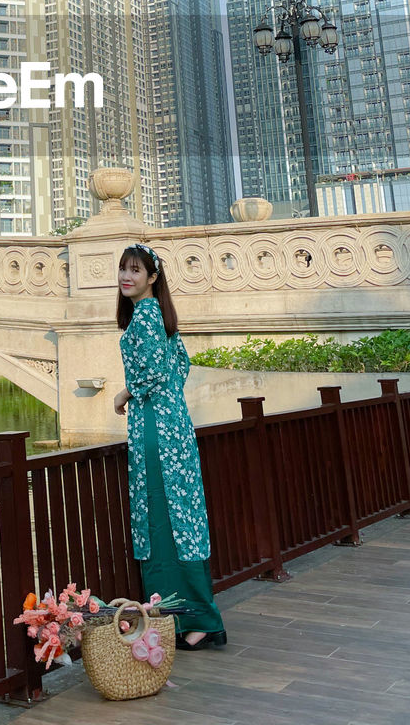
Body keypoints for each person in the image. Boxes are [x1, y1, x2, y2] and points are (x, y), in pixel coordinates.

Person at [113, 243, 226, 650]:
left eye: (136, 271)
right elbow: (180, 367)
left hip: (157, 431)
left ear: (152, 277)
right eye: (123, 270)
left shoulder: (145, 318)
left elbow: (156, 373)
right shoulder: (162, 317)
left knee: (163, 520)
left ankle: (195, 620)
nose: (127, 277)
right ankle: (193, 619)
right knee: (183, 519)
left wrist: (125, 393)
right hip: (173, 425)